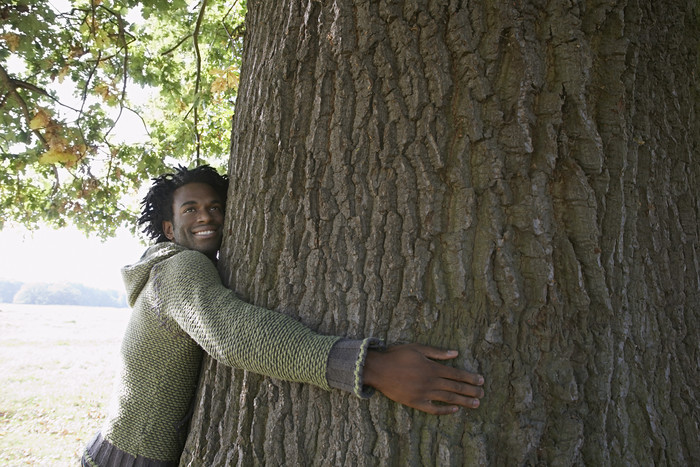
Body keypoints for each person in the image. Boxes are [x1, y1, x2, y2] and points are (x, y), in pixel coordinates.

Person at [81, 165, 484, 467]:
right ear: (169, 229)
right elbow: (232, 333)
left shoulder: (167, 270)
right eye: (190, 210)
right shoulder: (180, 268)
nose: (205, 216)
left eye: (215, 206)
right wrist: (369, 366)